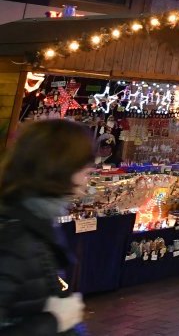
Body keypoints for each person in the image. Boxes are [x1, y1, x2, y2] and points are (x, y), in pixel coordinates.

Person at [0, 119, 94, 335]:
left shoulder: (34, 222)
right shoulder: (15, 237)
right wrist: (55, 321)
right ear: (59, 169)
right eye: (85, 171)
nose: (85, 182)